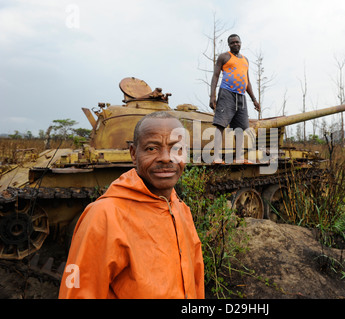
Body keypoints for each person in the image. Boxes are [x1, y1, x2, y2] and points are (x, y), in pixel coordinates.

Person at [59, 112, 204, 299]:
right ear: (134, 154)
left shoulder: (181, 210)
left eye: (176, 149)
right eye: (152, 149)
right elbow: (77, 292)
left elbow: (196, 282)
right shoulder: (104, 216)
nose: (166, 158)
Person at [209, 34, 260, 163]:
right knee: (220, 124)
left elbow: (247, 81)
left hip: (241, 95)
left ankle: (238, 157)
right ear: (229, 45)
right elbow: (215, 76)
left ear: (241, 43)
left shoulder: (245, 60)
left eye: (237, 42)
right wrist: (212, 95)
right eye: (232, 43)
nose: (235, 44)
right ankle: (216, 157)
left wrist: (254, 99)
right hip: (227, 93)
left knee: (240, 127)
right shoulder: (224, 57)